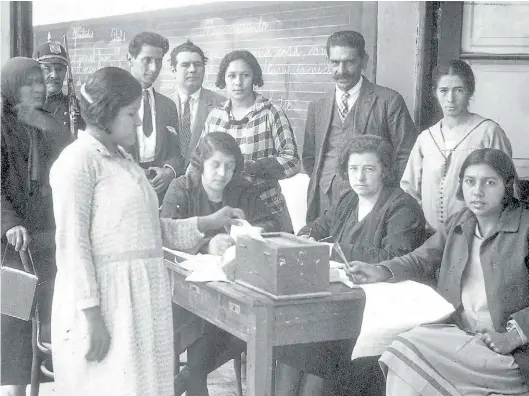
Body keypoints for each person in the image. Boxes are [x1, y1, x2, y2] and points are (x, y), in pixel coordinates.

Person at [49, 66, 245, 396]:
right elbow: (72, 245)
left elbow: (151, 231)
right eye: (131, 114)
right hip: (108, 302)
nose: (139, 123)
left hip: (140, 297)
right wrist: (91, 316)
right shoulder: (78, 162)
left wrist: (210, 222)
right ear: (104, 113)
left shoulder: (123, 159)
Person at [350, 148, 529, 396]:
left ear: (507, 185)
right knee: (401, 351)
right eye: (470, 181)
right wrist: (380, 270)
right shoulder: (461, 222)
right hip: (461, 336)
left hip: (509, 355)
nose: (477, 191)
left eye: (489, 182)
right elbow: (420, 259)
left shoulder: (525, 229)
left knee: (406, 352)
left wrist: (513, 336)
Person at [275, 135, 427, 396]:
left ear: (385, 171)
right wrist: (306, 236)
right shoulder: (349, 200)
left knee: (314, 353)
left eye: (369, 169)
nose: (360, 177)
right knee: (290, 347)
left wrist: (334, 249)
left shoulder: (402, 206)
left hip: (375, 315)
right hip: (339, 306)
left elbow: (393, 255)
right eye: (353, 169)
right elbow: (318, 226)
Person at [162, 131, 279, 396]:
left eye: (230, 166)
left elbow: (273, 223)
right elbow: (166, 240)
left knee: (247, 322)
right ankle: (193, 377)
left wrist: (246, 233)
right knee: (202, 328)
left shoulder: (242, 189)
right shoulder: (182, 188)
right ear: (201, 163)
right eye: (215, 164)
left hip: (232, 289)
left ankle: (188, 378)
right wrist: (207, 245)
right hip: (184, 294)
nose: (222, 173)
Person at [303, 30, 418, 223]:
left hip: (372, 203)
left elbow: (406, 155)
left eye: (350, 62)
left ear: (364, 61)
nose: (341, 70)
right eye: (335, 62)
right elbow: (309, 158)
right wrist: (326, 183)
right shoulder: (317, 107)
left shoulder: (389, 101)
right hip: (324, 201)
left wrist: (383, 194)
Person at [190, 50, 300, 233]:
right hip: (225, 212)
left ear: (254, 77)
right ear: (223, 79)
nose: (238, 82)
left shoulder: (271, 113)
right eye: (232, 76)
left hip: (267, 211)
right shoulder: (215, 116)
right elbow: (197, 162)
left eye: (245, 75)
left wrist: (254, 167)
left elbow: (293, 161)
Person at [401, 59, 512, 233]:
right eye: (443, 91)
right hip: (431, 237)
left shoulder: (487, 131)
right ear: (435, 93)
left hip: (477, 234)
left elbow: (506, 187)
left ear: (470, 92)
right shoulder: (426, 138)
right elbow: (409, 189)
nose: (450, 98)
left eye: (458, 90)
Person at [1, 57, 57, 396]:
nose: (39, 87)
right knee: (13, 322)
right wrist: (9, 223)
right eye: (29, 82)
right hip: (12, 247)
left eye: (41, 81)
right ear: (11, 87)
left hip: (47, 242)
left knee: (48, 322)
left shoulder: (48, 124)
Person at [125, 31, 185, 200]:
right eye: (147, 60)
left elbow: (177, 152)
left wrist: (168, 172)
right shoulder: (113, 102)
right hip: (125, 191)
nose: (154, 68)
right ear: (130, 59)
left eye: (158, 61)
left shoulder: (168, 105)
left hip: (159, 193)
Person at [170, 41, 225, 166]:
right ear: (173, 70)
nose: (193, 70)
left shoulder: (222, 105)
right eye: (185, 65)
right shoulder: (162, 104)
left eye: (197, 64)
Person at [33, 33, 85, 159]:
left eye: (60, 69)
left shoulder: (76, 108)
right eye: (47, 69)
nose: (54, 75)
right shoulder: (27, 106)